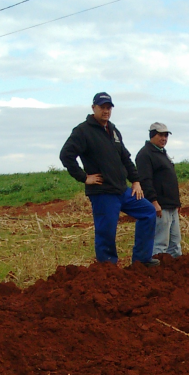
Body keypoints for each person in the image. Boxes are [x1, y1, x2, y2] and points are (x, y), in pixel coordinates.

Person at [59, 92, 159, 267]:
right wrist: (84, 177)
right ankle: (108, 269)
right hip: (103, 191)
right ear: (93, 108)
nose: (106, 111)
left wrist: (135, 181)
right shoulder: (83, 131)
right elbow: (66, 155)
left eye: (108, 108)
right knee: (106, 231)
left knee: (148, 212)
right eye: (102, 107)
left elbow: (125, 158)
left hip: (122, 189)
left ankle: (141, 260)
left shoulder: (113, 130)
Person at [136, 122, 182, 258]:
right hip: (160, 206)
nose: (164, 138)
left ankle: (175, 267)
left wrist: (176, 202)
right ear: (152, 135)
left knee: (175, 244)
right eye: (160, 135)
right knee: (160, 243)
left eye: (166, 135)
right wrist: (154, 202)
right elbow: (145, 181)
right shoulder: (145, 154)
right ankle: (158, 268)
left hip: (171, 205)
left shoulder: (162, 153)